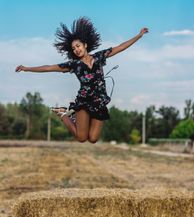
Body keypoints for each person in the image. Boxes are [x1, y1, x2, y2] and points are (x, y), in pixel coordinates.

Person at [15, 17, 148, 143]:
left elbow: (120, 47)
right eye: (73, 48)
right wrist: (27, 68)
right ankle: (63, 114)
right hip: (84, 101)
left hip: (99, 101)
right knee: (81, 138)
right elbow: (49, 67)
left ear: (85, 44)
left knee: (93, 139)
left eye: (78, 46)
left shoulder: (99, 57)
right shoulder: (74, 65)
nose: (76, 49)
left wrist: (139, 35)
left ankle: (72, 116)